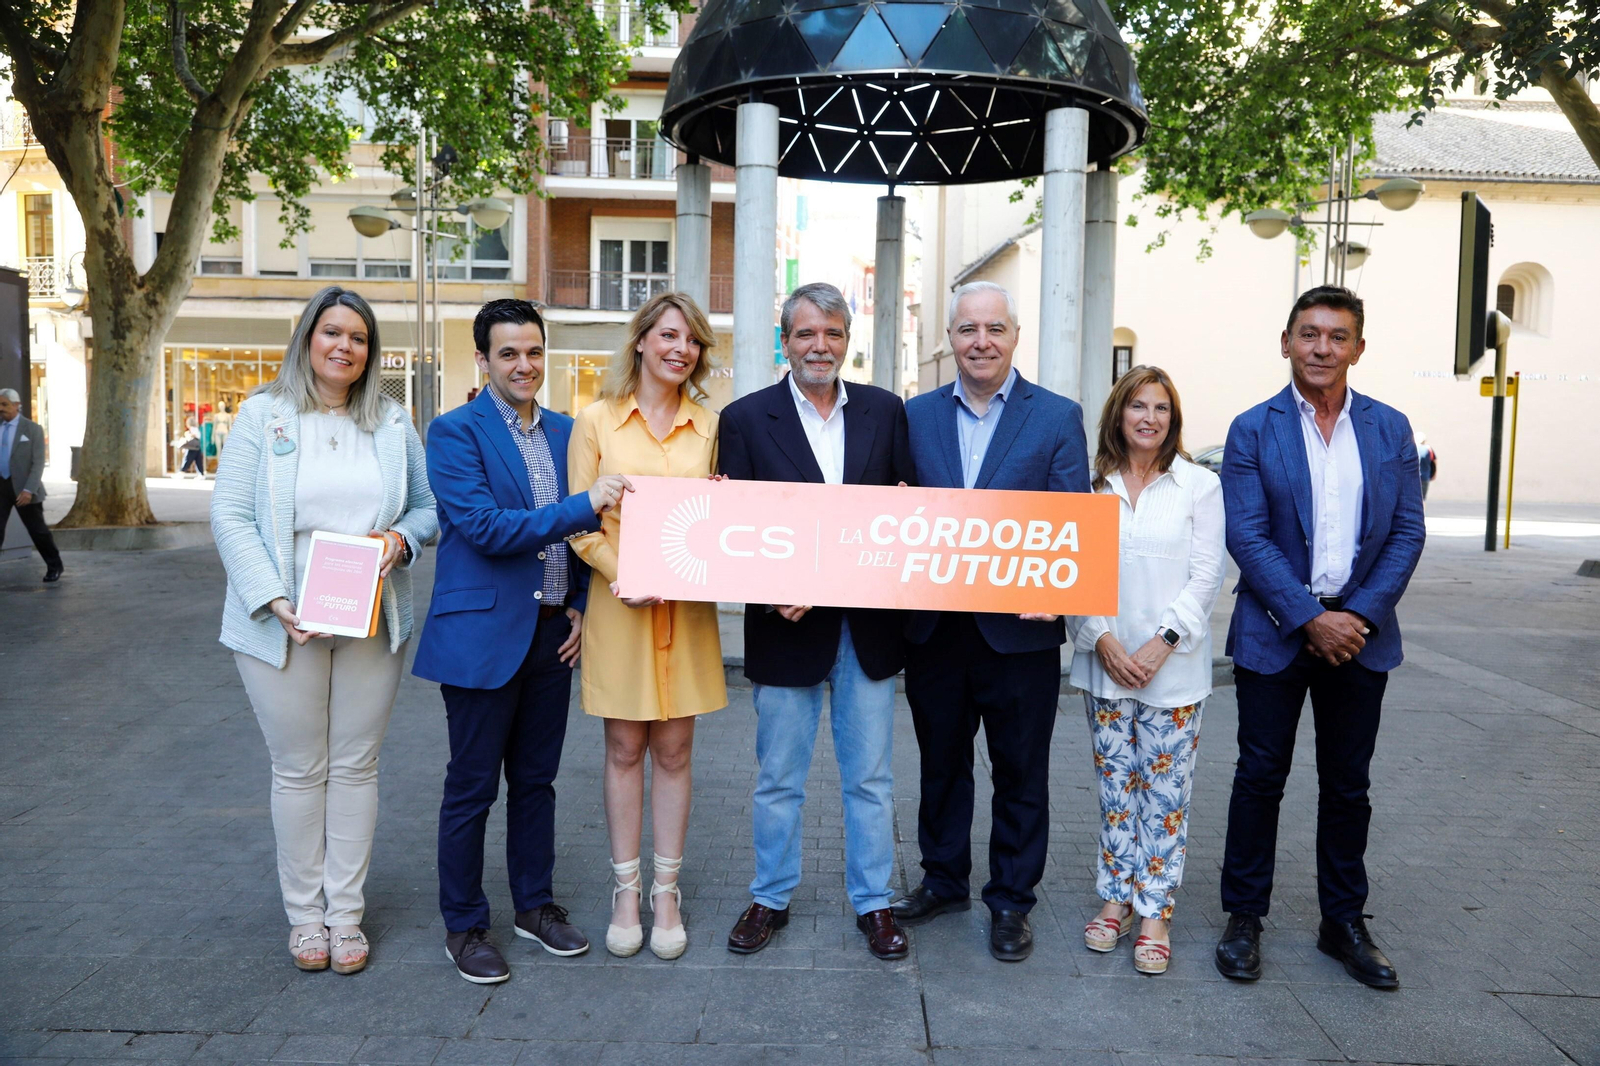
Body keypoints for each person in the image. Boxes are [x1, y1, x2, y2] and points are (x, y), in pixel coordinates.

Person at [211, 286, 438, 975]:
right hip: (284, 621)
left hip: (367, 616)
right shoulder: (264, 415)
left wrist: (399, 540)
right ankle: (305, 917)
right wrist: (272, 597)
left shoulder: (391, 422)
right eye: (332, 332)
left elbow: (427, 508)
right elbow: (230, 516)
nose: (345, 346)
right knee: (299, 768)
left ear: (371, 352)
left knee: (355, 765)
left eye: (359, 338)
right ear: (307, 337)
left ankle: (346, 915)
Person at [412, 298, 634, 985]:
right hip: (480, 637)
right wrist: (585, 502)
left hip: (551, 637)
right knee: (472, 788)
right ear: (483, 359)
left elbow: (595, 534)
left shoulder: (569, 430)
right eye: (508, 353)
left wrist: (581, 604)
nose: (524, 364)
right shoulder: (453, 432)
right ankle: (464, 925)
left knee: (536, 783)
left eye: (534, 351)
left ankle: (534, 907)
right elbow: (485, 527)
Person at [1214, 285, 1425, 990]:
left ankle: (1343, 923)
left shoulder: (1390, 428)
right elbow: (1246, 534)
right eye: (1309, 334)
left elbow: (1407, 532)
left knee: (1348, 785)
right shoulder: (1253, 428)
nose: (1322, 348)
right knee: (1259, 778)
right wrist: (1311, 617)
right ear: (1286, 342)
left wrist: (1356, 617)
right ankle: (1244, 917)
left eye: (1337, 337)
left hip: (1361, 634)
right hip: (1276, 630)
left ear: (1358, 349)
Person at [892, 280, 1090, 963]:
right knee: (941, 766)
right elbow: (893, 507)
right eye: (968, 329)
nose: (981, 342)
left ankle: (1011, 899)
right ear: (950, 338)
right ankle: (943, 880)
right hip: (936, 631)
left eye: (995, 329)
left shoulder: (1057, 417)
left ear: (1015, 336)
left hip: (1020, 632)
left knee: (1021, 772)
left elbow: (1073, 519)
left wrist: (1062, 592)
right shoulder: (914, 416)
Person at [718, 281, 917, 961]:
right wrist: (770, 589)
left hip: (867, 631)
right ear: (785, 341)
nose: (820, 346)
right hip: (787, 630)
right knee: (778, 779)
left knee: (871, 780)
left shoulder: (886, 411)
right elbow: (733, 530)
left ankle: (875, 903)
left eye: (833, 333)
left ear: (847, 342)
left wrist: (907, 509)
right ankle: (769, 898)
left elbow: (908, 512)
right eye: (806, 333)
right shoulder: (745, 419)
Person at [568, 292, 726, 961]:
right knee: (625, 749)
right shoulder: (595, 421)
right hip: (620, 605)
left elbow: (724, 521)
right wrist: (621, 573)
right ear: (640, 341)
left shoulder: (711, 425)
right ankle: (626, 892)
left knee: (677, 751)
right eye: (668, 336)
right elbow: (577, 520)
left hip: (686, 612)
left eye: (691, 340)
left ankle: (666, 893)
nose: (680, 349)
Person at [1068, 366, 1224, 975]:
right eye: (1138, 406)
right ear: (1119, 414)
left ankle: (1155, 909)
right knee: (1116, 792)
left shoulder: (1198, 486)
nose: (1149, 418)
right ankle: (1115, 899)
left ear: (1173, 419)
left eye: (1161, 408)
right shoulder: (1092, 486)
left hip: (1172, 670)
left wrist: (1163, 643)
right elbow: (1071, 569)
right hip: (1105, 662)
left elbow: (1207, 576)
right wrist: (1101, 639)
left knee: (1164, 797)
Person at [0, 388, 63, 583]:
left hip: (24, 489)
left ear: (17, 405)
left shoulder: (32, 429)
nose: (1, 408)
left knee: (37, 530)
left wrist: (29, 490)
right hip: (1, 487)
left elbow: (38, 463)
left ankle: (55, 566)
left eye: (4, 404)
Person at [1415, 430, 1437, 502]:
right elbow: (1434, 461)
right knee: (1422, 498)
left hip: (1414, 476)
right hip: (1425, 476)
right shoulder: (1428, 449)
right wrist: (1434, 474)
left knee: (1414, 498)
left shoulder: (1413, 448)